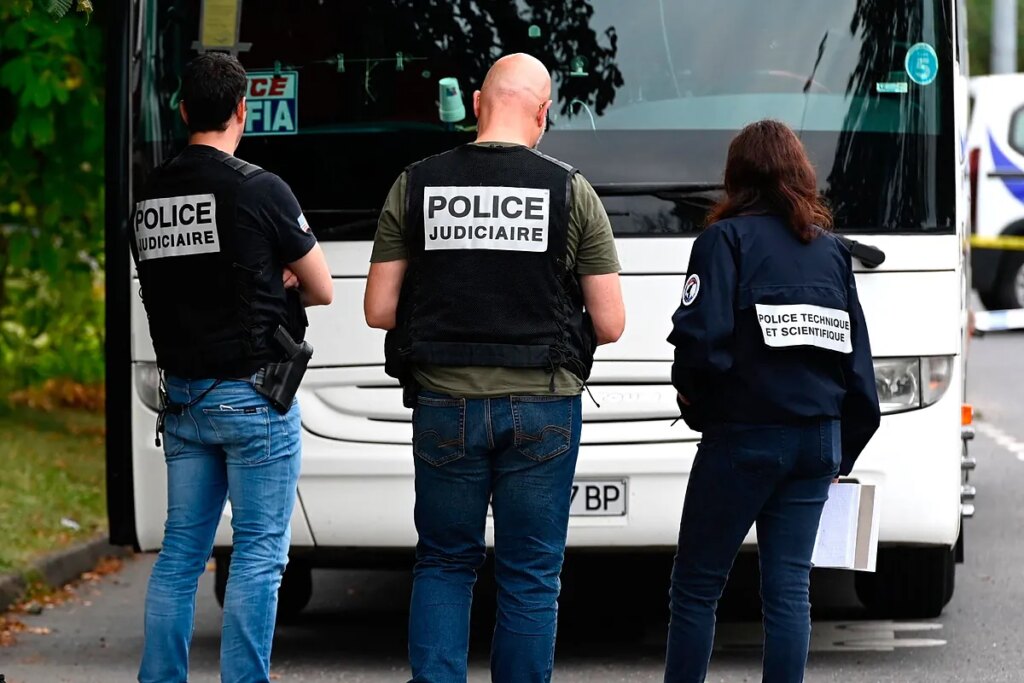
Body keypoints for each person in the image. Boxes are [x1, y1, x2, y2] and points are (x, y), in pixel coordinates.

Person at [364, 53, 626, 683]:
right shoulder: (572, 190)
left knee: (445, 563)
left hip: (443, 404)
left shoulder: (416, 183)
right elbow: (611, 323)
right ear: (543, 114)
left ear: (477, 105)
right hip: (544, 405)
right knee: (531, 574)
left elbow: (379, 310)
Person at [131, 52, 333, 683]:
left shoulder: (149, 195)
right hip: (254, 401)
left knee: (181, 555)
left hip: (185, 403)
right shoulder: (259, 187)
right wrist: (281, 276)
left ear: (184, 110)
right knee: (258, 556)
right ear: (243, 109)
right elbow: (322, 287)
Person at [663, 119, 881, 683]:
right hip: (818, 440)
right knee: (789, 592)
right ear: (800, 176)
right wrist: (840, 456)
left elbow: (701, 347)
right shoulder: (830, 253)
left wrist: (702, 412)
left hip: (745, 436)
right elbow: (858, 371)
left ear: (735, 179)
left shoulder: (722, 241)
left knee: (696, 588)